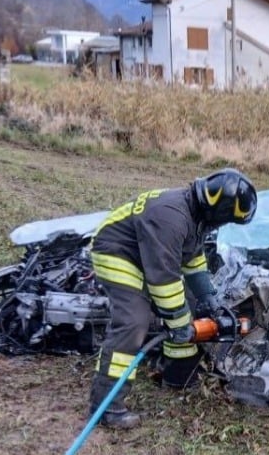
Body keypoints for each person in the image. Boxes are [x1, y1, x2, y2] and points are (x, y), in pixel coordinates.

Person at [88, 169, 258, 429]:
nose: (224, 226)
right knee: (134, 321)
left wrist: (207, 297)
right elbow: (163, 280)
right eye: (226, 221)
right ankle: (106, 407)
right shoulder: (171, 217)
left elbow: (193, 258)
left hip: (147, 255)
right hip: (117, 251)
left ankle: (178, 376)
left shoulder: (196, 214)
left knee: (188, 304)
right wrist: (179, 324)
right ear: (219, 211)